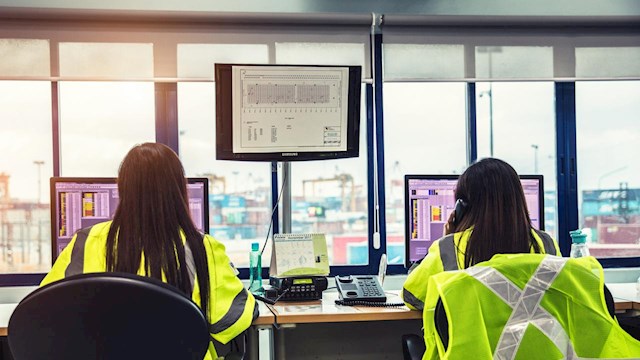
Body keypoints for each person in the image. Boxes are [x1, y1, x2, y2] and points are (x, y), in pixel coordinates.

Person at [42, 142, 257, 360]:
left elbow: (47, 309)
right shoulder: (202, 247)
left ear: (123, 188)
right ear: (178, 191)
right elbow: (231, 319)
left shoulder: (87, 241)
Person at [402, 158, 559, 311]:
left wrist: (446, 239)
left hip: (473, 338)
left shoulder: (448, 249)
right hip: (532, 337)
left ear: (461, 208)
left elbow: (412, 298)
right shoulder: (546, 244)